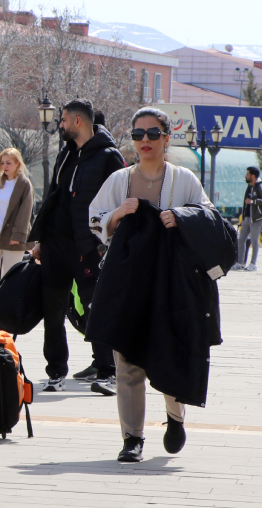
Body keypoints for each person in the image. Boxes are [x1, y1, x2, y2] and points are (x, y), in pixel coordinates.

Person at [86, 107, 225, 462]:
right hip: (128, 283)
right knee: (127, 358)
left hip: (173, 283)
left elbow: (210, 217)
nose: (144, 141)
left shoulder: (184, 179)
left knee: (170, 351)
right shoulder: (120, 180)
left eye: (151, 134)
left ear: (166, 138)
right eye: (137, 135)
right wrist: (119, 213)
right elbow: (94, 220)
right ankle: (131, 437)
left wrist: (179, 217)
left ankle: (175, 417)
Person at [26, 98, 124, 396]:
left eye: (64, 120)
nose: (61, 125)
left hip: (87, 246)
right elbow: (55, 197)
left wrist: (107, 245)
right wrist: (42, 239)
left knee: (96, 308)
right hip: (55, 245)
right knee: (53, 311)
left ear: (78, 121)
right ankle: (55, 372)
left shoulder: (109, 157)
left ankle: (107, 371)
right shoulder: (66, 154)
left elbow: (118, 201)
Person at [0, 148, 34, 284]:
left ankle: (5, 303)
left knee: (9, 275)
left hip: (13, 236)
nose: (4, 166)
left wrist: (18, 235)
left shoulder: (24, 184)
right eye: (2, 162)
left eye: (8, 163)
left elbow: (26, 211)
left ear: (17, 163)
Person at [233, 167, 262, 271]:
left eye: (247, 174)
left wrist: (253, 201)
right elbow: (246, 202)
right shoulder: (250, 186)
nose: (246, 176)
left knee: (254, 241)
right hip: (247, 217)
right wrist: (244, 215)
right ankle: (240, 263)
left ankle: (253, 264)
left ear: (253, 176)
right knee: (241, 240)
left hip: (257, 218)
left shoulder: (261, 186)